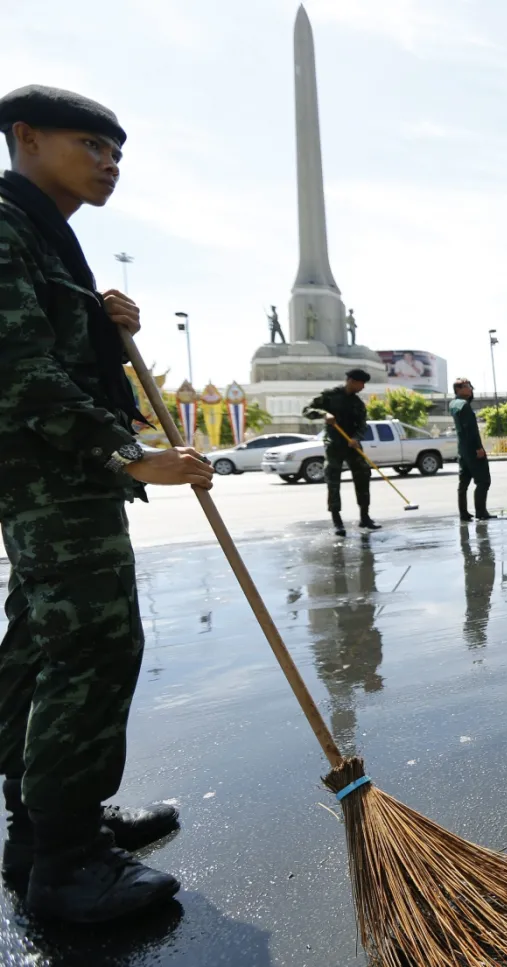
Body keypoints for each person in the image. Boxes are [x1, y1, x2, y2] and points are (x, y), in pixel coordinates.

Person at [0, 85, 217, 923]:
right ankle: (66, 867)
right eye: (91, 145)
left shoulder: (47, 239)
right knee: (90, 647)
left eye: (117, 152)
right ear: (25, 138)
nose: (109, 163)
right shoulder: (8, 228)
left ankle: (44, 827)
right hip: (48, 476)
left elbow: (62, 351)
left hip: (62, 476)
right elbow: (23, 379)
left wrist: (99, 315)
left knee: (44, 644)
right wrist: (135, 456)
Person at [303, 369, 377, 535]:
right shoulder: (329, 396)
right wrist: (323, 414)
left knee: (363, 475)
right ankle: (337, 522)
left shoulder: (358, 403)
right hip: (334, 444)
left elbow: (363, 425)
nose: (363, 387)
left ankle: (365, 517)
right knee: (333, 480)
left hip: (353, 445)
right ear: (350, 380)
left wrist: (357, 438)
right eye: (361, 383)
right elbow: (306, 410)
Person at [450, 378, 493, 521]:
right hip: (472, 449)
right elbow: (471, 430)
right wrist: (478, 448)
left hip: (462, 450)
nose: (471, 389)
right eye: (468, 386)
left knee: (463, 483)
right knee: (483, 481)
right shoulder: (464, 405)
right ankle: (481, 512)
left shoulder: (453, 404)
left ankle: (463, 513)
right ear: (459, 389)